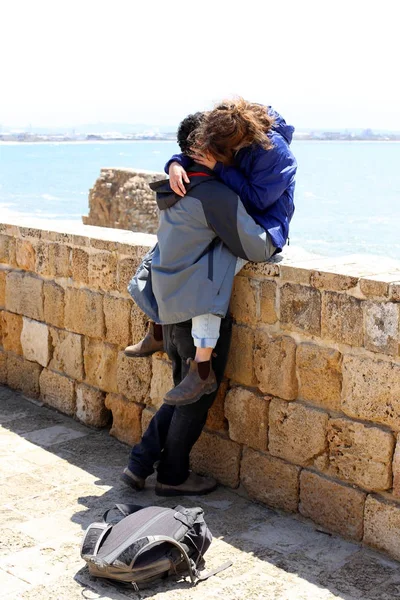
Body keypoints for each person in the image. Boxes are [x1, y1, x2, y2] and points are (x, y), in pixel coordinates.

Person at [122, 115, 276, 495]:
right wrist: (277, 229)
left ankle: (140, 464)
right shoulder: (214, 195)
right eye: (232, 147)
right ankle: (173, 477)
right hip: (199, 311)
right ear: (207, 149)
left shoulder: (173, 187)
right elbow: (255, 245)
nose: (237, 154)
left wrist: (175, 162)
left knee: (183, 392)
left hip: (170, 311)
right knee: (195, 397)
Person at [125, 98, 297, 405]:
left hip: (262, 229)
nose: (213, 152)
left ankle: (201, 369)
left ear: (240, 140)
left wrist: (217, 168)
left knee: (213, 266)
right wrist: (176, 163)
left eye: (218, 149)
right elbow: (193, 141)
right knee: (172, 241)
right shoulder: (226, 124)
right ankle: (159, 326)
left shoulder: (276, 154)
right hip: (233, 217)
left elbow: (259, 200)